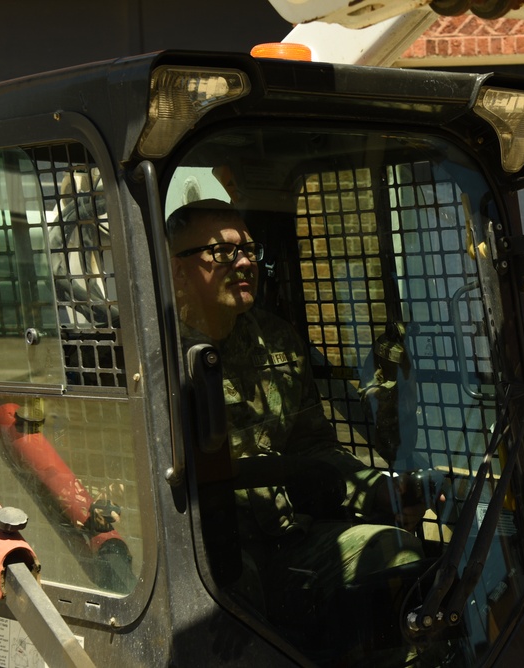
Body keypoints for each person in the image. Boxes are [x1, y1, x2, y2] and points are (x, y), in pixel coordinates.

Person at [167, 199, 427, 634]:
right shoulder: (157, 359)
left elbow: (313, 446)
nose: (245, 262)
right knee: (232, 592)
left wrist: (379, 490)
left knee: (394, 550)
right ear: (178, 271)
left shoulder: (277, 342)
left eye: (249, 250)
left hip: (286, 537)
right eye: (225, 251)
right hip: (204, 553)